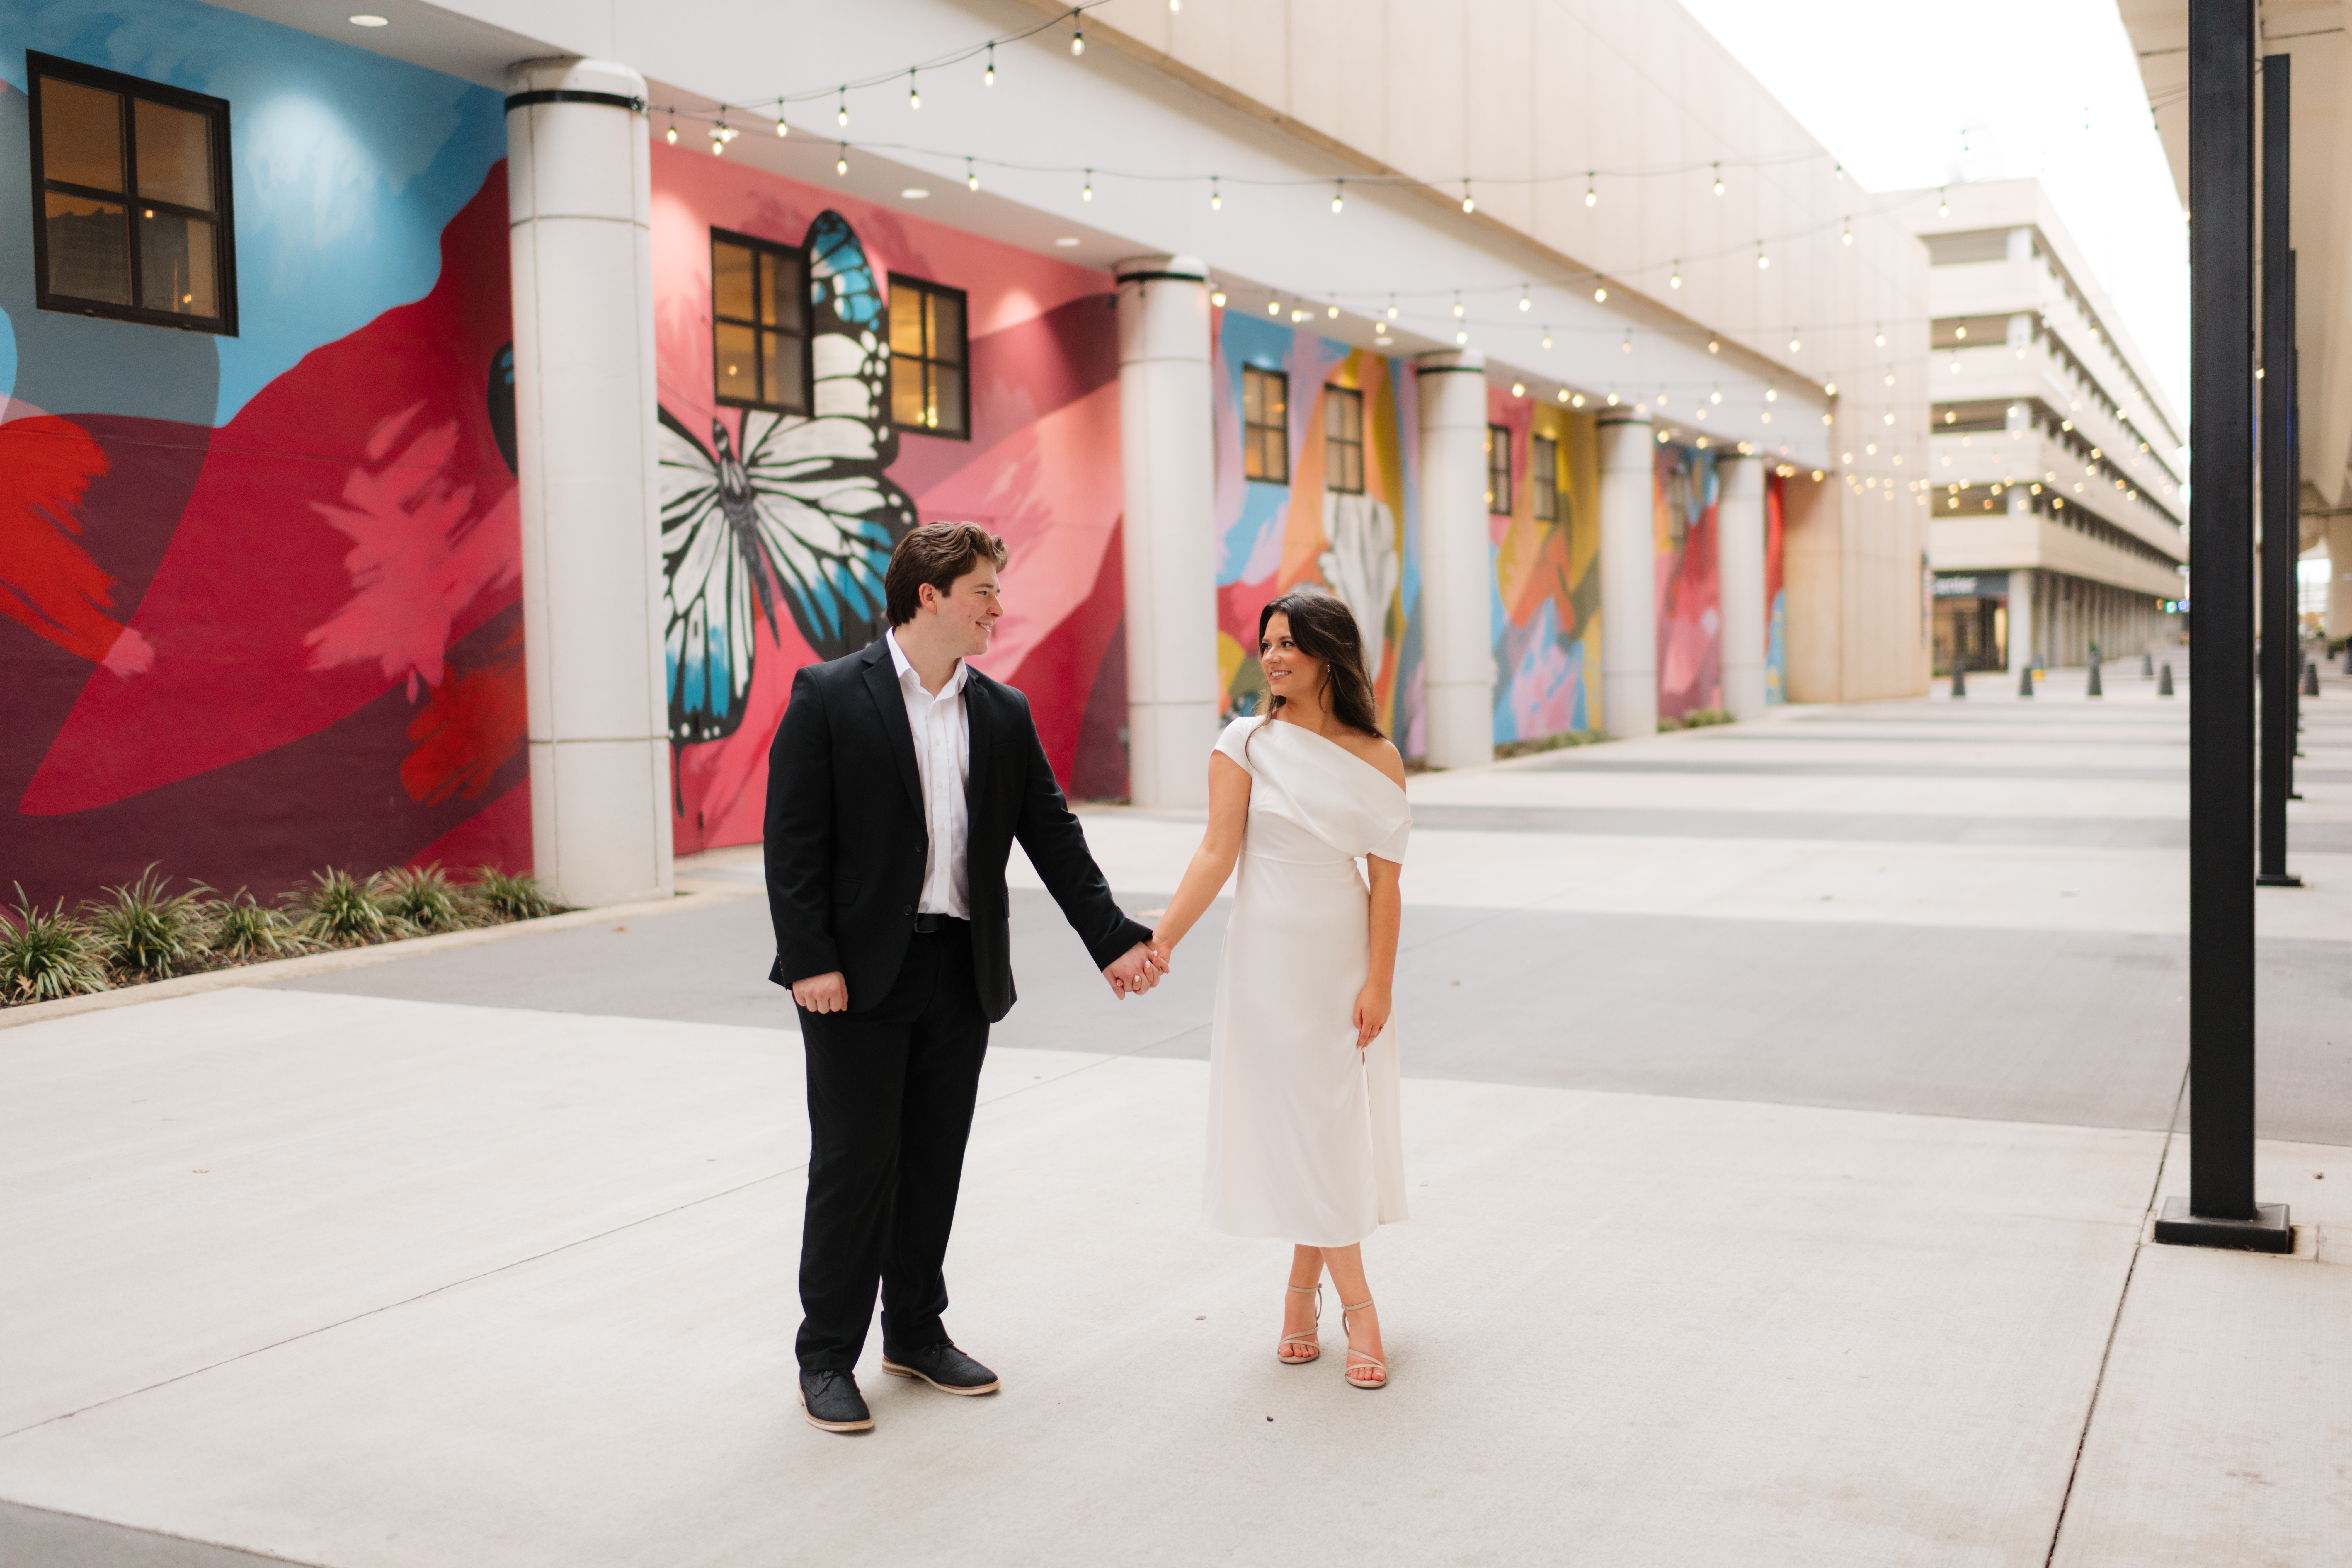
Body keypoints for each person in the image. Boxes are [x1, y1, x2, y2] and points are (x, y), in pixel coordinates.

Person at [763, 522, 1165, 1434]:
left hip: (960, 969)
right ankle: (826, 1354)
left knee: (932, 1162)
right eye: (984, 590)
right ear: (929, 596)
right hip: (856, 980)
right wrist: (812, 962)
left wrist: (1114, 942)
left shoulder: (1002, 712)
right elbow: (792, 847)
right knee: (854, 1167)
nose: (997, 607)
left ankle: (913, 1331)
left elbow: (1052, 837)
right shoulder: (829, 696)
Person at [1145, 585, 1412, 1390]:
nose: (1272, 656)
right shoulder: (1245, 743)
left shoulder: (1379, 757)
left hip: (1339, 963)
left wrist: (1380, 982)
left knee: (1325, 1125)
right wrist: (1156, 943)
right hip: (1265, 963)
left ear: (1330, 651)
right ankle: (1355, 1306)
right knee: (1305, 1126)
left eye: (1289, 642)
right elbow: (1215, 854)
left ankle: (1306, 1291)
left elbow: (1387, 886)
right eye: (1266, 643)